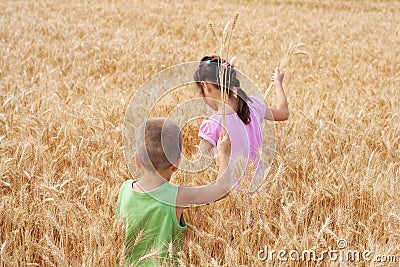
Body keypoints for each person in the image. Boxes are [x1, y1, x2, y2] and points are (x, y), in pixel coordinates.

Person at [116, 117, 232, 266]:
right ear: (176, 164)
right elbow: (222, 189)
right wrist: (224, 154)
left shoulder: (124, 190)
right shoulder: (178, 197)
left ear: (137, 160)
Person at [193, 55, 289, 183]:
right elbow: (283, 113)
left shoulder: (213, 125)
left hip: (232, 196)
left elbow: (200, 164)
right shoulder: (253, 105)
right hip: (260, 189)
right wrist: (278, 84)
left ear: (205, 85)